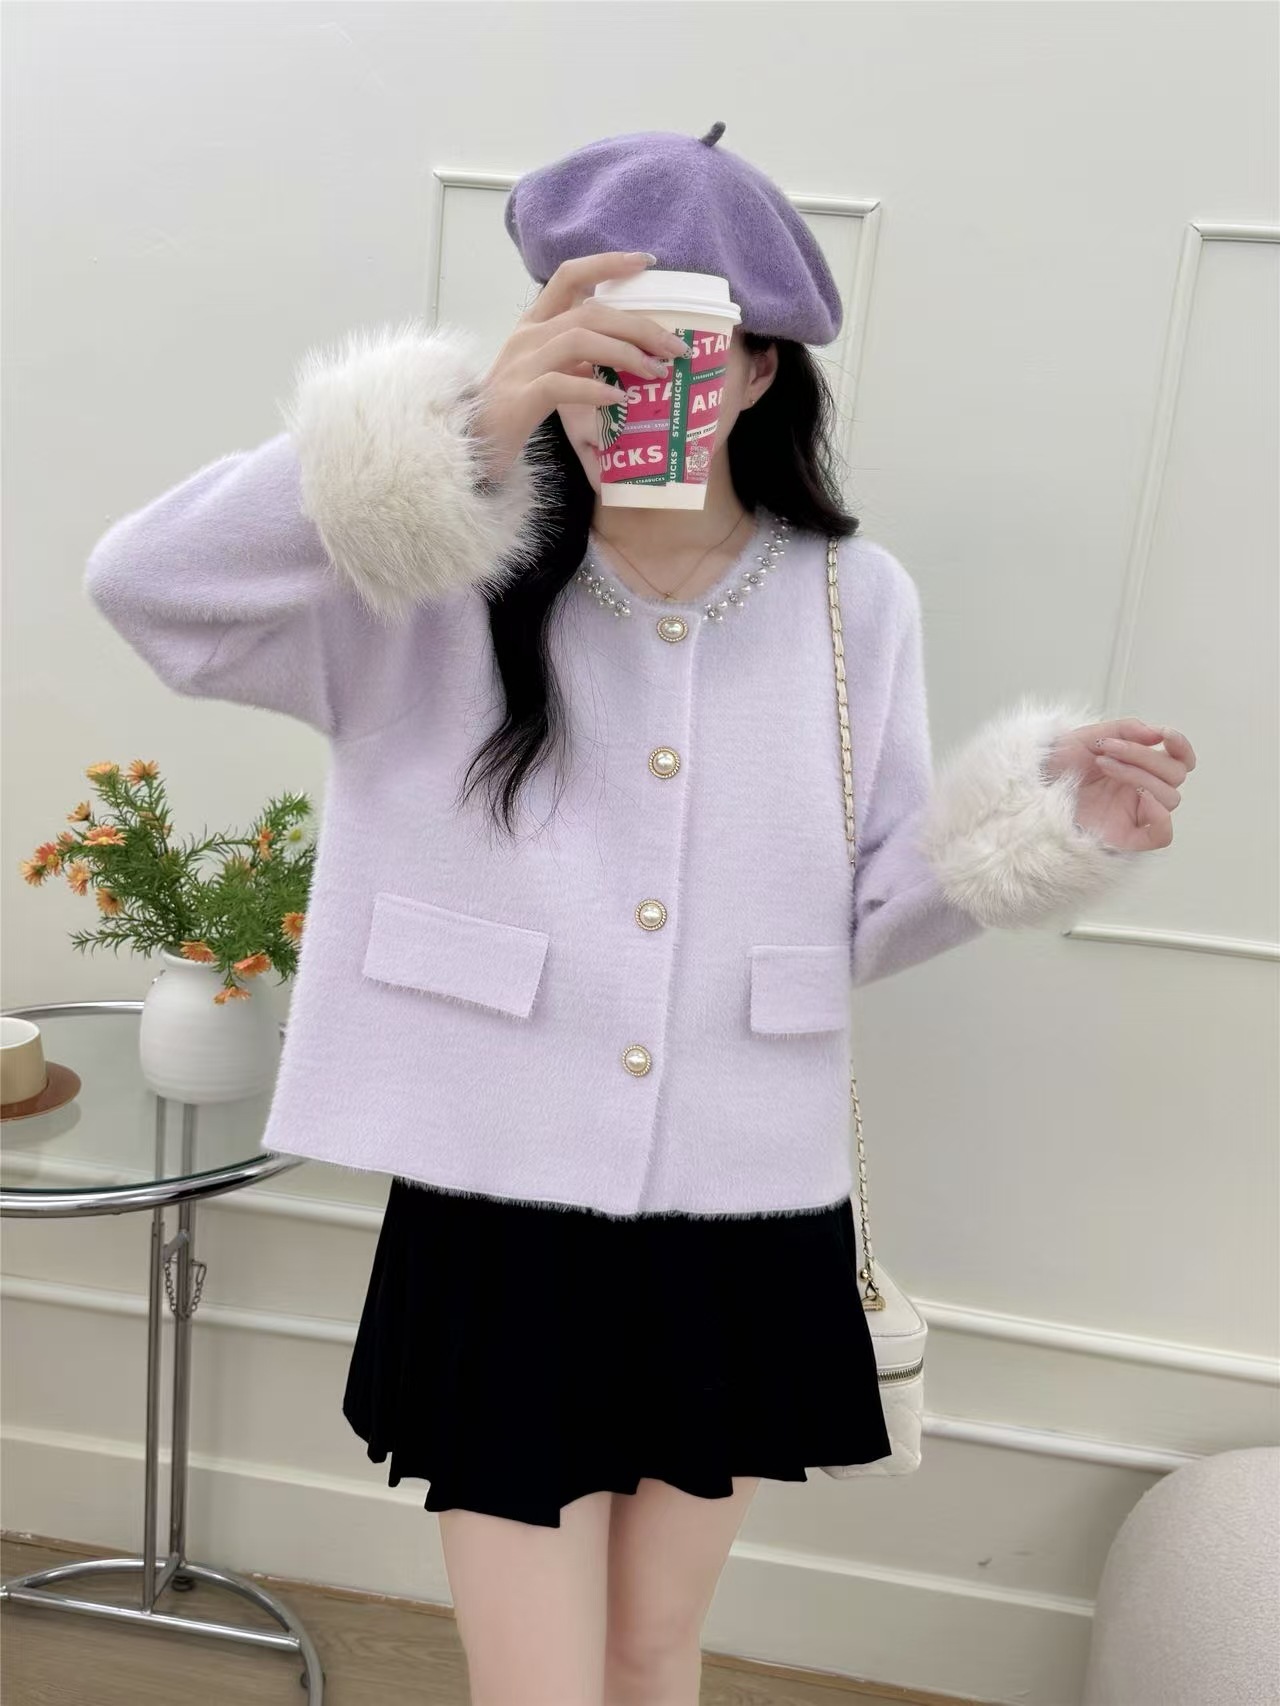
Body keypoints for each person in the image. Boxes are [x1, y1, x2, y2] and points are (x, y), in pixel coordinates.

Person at [83, 123, 1195, 1706]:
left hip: (745, 1211)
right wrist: (457, 430)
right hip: (504, 1198)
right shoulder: (428, 571)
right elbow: (149, 586)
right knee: (538, 1681)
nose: (641, 386)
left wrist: (1052, 827)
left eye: (689, 348)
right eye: (600, 343)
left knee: (654, 1650)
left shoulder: (851, 599)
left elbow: (866, 915)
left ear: (759, 372)